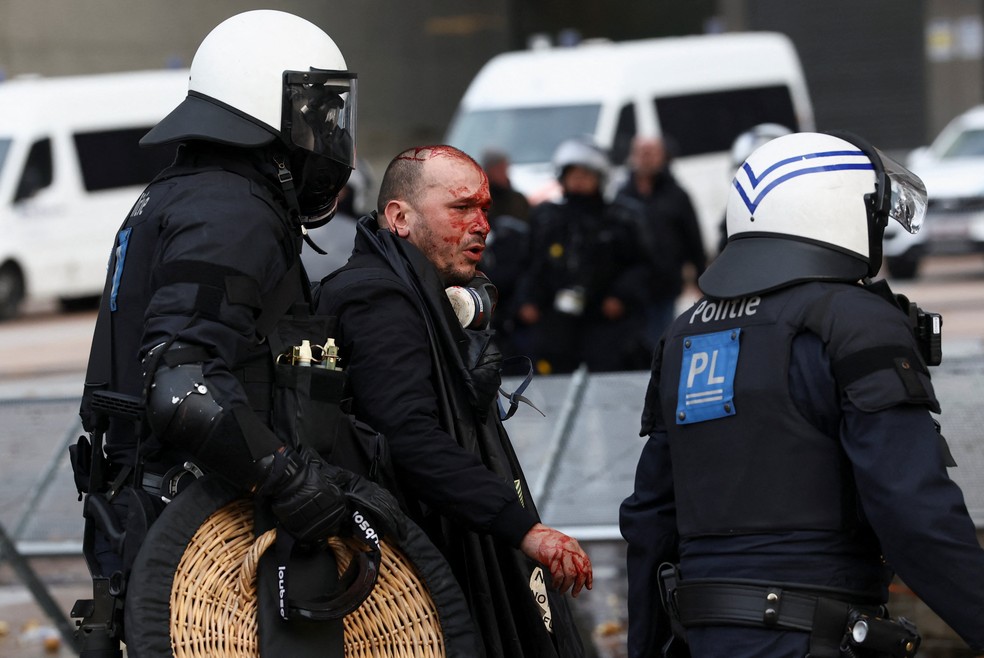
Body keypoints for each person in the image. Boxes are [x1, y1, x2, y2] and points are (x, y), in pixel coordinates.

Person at [73, 11, 396, 655]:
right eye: (316, 111)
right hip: (203, 532)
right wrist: (293, 482)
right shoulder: (228, 209)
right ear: (263, 106)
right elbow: (184, 388)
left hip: (151, 513)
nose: (328, 133)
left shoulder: (182, 192)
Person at [619, 131, 984, 657]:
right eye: (873, 214)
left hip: (703, 639)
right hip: (813, 634)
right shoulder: (855, 321)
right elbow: (913, 511)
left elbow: (651, 520)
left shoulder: (686, 332)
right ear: (832, 209)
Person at [314, 144, 593, 658]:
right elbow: (410, 438)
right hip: (408, 576)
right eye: (461, 208)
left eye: (485, 208)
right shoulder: (377, 299)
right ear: (399, 216)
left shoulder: (416, 291)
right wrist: (523, 529)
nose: (481, 224)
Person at [516, 137, 649, 374]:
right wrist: (528, 299)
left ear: (600, 178)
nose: (579, 182)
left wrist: (620, 296)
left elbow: (642, 265)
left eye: (586, 175)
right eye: (573, 175)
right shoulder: (547, 218)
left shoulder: (621, 219)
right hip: (557, 320)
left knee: (607, 376)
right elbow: (531, 263)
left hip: (605, 319)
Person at [615, 135, 706, 350]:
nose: (646, 158)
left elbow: (694, 238)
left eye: (651, 153)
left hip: (665, 284)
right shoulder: (623, 195)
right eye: (641, 152)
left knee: (660, 341)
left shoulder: (677, 195)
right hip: (631, 289)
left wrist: (701, 279)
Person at [479, 149, 533, 367]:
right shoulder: (481, 199)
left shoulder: (517, 199)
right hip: (490, 270)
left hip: (516, 270)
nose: (505, 172)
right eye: (500, 168)